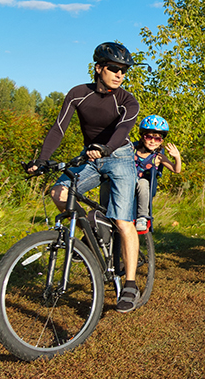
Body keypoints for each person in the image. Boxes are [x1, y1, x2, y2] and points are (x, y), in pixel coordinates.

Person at [26, 42, 142, 313]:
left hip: (120, 156)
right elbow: (58, 128)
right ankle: (91, 233)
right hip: (90, 156)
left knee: (124, 221)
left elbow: (124, 127)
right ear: (98, 68)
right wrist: (43, 160)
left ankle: (130, 284)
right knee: (58, 193)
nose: (120, 74)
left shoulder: (127, 100)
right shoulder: (77, 94)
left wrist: (106, 148)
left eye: (124, 70)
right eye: (114, 68)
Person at [134, 115, 182, 231]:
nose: (152, 141)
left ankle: (142, 216)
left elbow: (176, 170)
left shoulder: (158, 157)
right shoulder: (132, 150)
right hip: (127, 182)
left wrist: (177, 157)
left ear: (161, 141)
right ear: (142, 137)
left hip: (145, 186)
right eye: (148, 137)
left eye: (157, 139)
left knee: (143, 183)